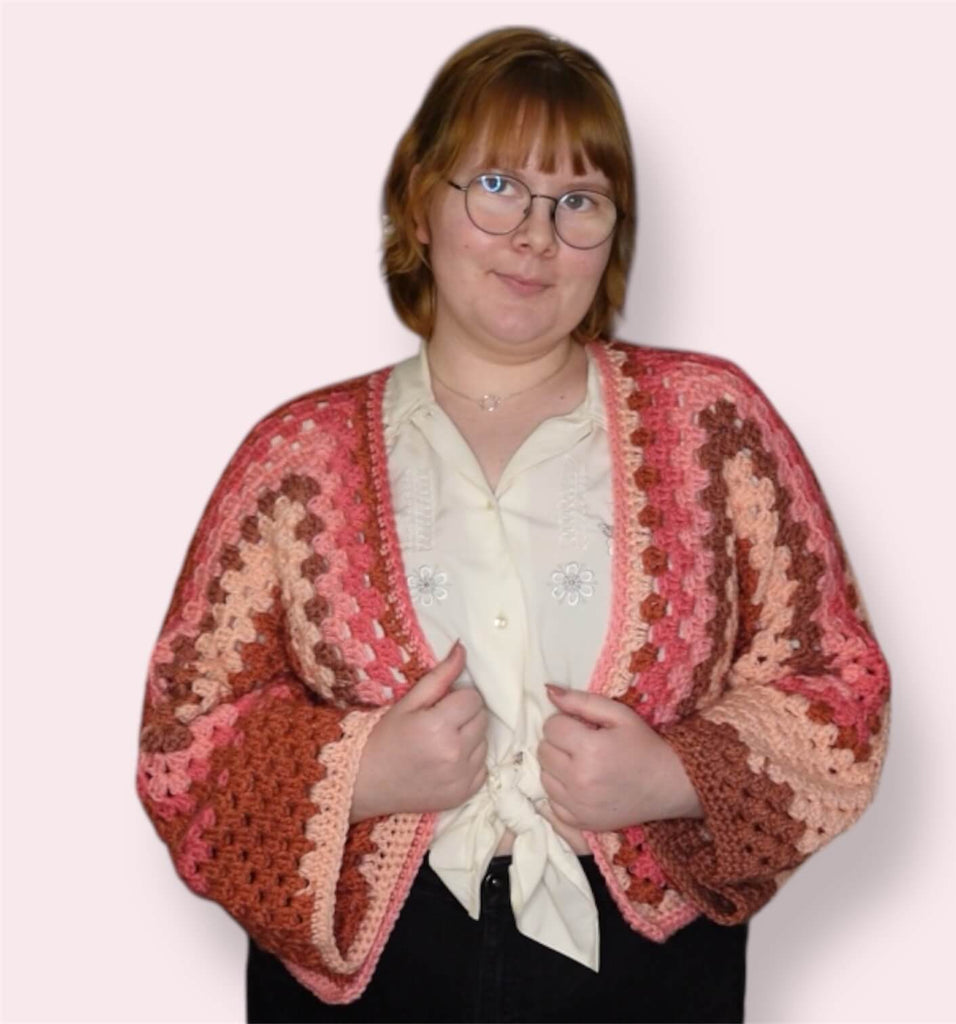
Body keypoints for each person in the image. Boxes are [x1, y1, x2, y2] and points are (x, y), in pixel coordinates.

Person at [136, 26, 890, 1024]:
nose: (535, 235)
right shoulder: (294, 457)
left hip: (645, 970)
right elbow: (183, 746)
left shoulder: (713, 425)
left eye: (576, 201)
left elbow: (838, 687)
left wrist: (673, 771)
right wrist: (358, 772)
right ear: (420, 200)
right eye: (497, 186)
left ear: (611, 233)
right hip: (368, 979)